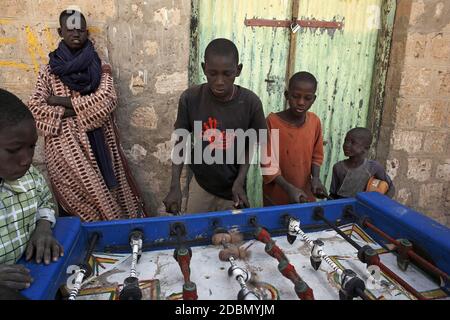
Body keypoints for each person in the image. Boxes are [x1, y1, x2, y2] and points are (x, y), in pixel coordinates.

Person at [28, 9, 145, 221]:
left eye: (80, 29)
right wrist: (82, 108)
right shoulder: (49, 71)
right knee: (77, 208)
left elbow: (106, 101)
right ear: (60, 31)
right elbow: (35, 109)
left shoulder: (100, 66)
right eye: (70, 29)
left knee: (110, 200)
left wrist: (58, 101)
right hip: (64, 154)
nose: (76, 33)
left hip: (101, 146)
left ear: (87, 32)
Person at [163, 38, 267, 214]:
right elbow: (181, 142)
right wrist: (175, 186)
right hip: (201, 186)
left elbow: (253, 143)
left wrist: (240, 181)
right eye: (213, 73)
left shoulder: (251, 103)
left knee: (233, 238)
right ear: (204, 69)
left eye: (227, 74)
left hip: (234, 190)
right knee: (195, 235)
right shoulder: (190, 99)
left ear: (238, 70)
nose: (219, 81)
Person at [0, 89, 63, 300]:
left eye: (31, 147)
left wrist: (43, 226)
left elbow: (44, 199)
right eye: (14, 150)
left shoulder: (30, 177)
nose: (27, 159)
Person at [262, 71, 327, 206]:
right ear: (287, 95)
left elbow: (317, 155)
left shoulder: (314, 122)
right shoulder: (271, 122)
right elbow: (268, 165)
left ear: (313, 99)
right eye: (296, 96)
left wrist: (315, 179)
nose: (301, 102)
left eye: (307, 98)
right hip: (277, 196)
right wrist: (288, 188)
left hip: (305, 195)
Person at [330, 127, 395, 199]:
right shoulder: (338, 167)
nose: (347, 145)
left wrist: (382, 203)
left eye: (353, 142)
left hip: (364, 207)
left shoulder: (374, 167)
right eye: (346, 141)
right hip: (343, 207)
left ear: (366, 148)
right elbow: (333, 194)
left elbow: (391, 188)